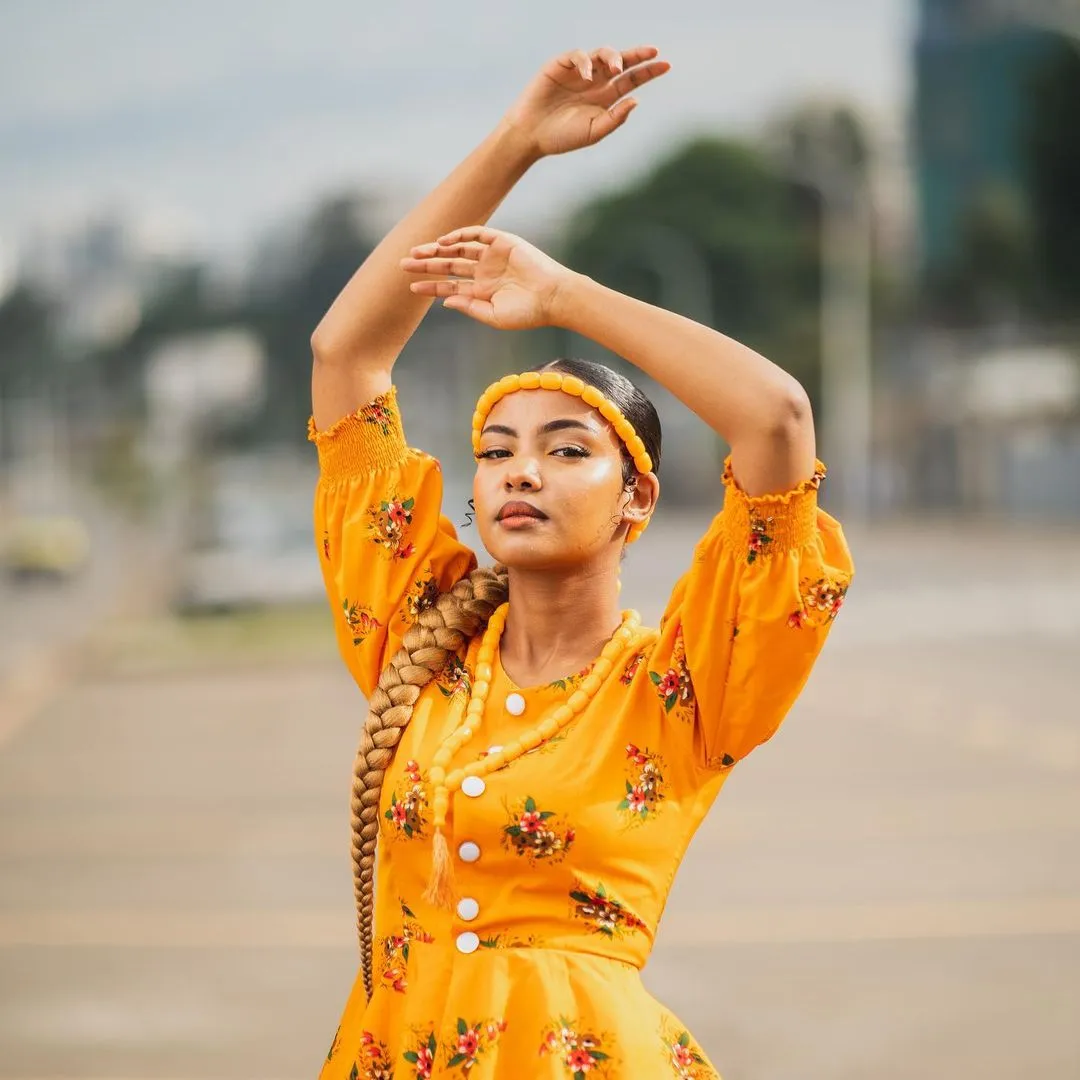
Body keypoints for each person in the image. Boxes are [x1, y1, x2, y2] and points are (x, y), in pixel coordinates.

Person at [308, 44, 853, 1080]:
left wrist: (562, 294)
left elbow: (777, 420)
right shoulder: (415, 643)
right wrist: (517, 144)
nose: (523, 473)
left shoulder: (687, 685)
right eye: (498, 452)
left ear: (636, 498)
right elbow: (347, 356)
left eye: (567, 451)